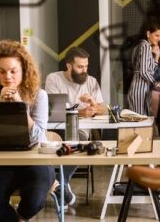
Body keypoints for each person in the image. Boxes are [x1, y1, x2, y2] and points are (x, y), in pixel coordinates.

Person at [0, 40, 54, 222]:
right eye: (2, 71)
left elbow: (38, 134)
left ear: (24, 70)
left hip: (36, 157)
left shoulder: (39, 95)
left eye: (13, 71)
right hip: (5, 159)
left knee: (35, 200)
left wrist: (20, 107)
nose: (8, 77)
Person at [44, 46, 106, 207]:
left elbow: (104, 109)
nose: (84, 70)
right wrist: (80, 113)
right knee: (41, 143)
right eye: (80, 67)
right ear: (69, 65)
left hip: (79, 132)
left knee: (79, 143)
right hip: (55, 128)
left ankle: (58, 184)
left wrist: (93, 105)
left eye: (86, 66)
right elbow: (53, 112)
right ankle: (59, 185)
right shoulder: (54, 79)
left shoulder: (91, 81)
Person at [127, 22, 160, 116]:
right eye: (156, 35)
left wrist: (156, 57)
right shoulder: (146, 46)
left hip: (139, 88)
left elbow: (149, 71)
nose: (159, 39)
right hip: (140, 89)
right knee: (140, 122)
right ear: (148, 34)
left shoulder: (140, 46)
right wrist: (156, 84)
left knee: (139, 121)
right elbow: (144, 72)